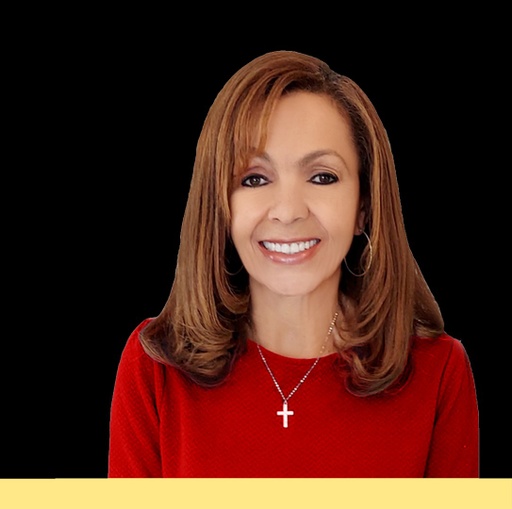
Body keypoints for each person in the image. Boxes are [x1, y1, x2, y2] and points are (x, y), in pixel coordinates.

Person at [108, 50, 479, 478]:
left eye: (322, 176)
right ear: (220, 206)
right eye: (254, 179)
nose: (287, 211)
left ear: (364, 206)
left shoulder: (439, 372)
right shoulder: (155, 366)